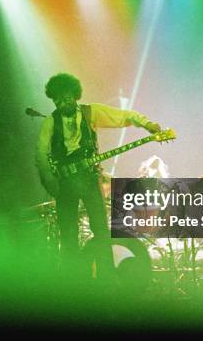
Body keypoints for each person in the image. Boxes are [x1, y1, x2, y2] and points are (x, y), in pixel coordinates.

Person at [35, 73, 162, 278]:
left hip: (89, 179)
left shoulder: (90, 112)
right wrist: (49, 180)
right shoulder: (50, 122)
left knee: (101, 230)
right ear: (53, 99)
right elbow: (40, 153)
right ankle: (73, 280)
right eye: (57, 98)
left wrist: (147, 124)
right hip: (64, 184)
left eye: (66, 95)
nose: (62, 101)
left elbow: (122, 116)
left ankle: (107, 277)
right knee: (68, 233)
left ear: (75, 95)